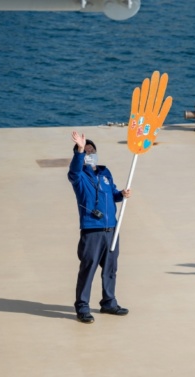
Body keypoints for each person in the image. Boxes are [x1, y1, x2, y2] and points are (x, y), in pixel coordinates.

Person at [68, 131, 131, 323]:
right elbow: (75, 170)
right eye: (86, 151)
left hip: (112, 229)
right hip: (92, 230)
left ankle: (109, 302)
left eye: (92, 150)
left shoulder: (105, 173)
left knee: (111, 268)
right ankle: (82, 307)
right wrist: (79, 148)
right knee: (88, 268)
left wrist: (121, 194)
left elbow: (112, 194)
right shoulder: (78, 177)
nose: (90, 154)